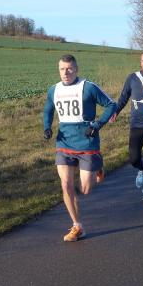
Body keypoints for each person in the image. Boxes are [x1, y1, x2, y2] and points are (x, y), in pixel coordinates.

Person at [43, 54, 116, 242]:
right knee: (66, 184)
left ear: (76, 69)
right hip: (64, 142)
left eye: (69, 69)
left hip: (87, 141)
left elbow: (111, 105)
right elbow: (48, 109)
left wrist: (97, 125)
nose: (65, 72)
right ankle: (77, 226)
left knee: (85, 188)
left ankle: (97, 165)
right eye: (62, 69)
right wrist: (47, 127)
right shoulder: (54, 90)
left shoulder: (88, 87)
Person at [110, 50, 143, 201]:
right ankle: (142, 169)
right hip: (137, 124)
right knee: (133, 158)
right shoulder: (132, 78)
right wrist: (116, 111)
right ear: (140, 62)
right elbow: (123, 97)